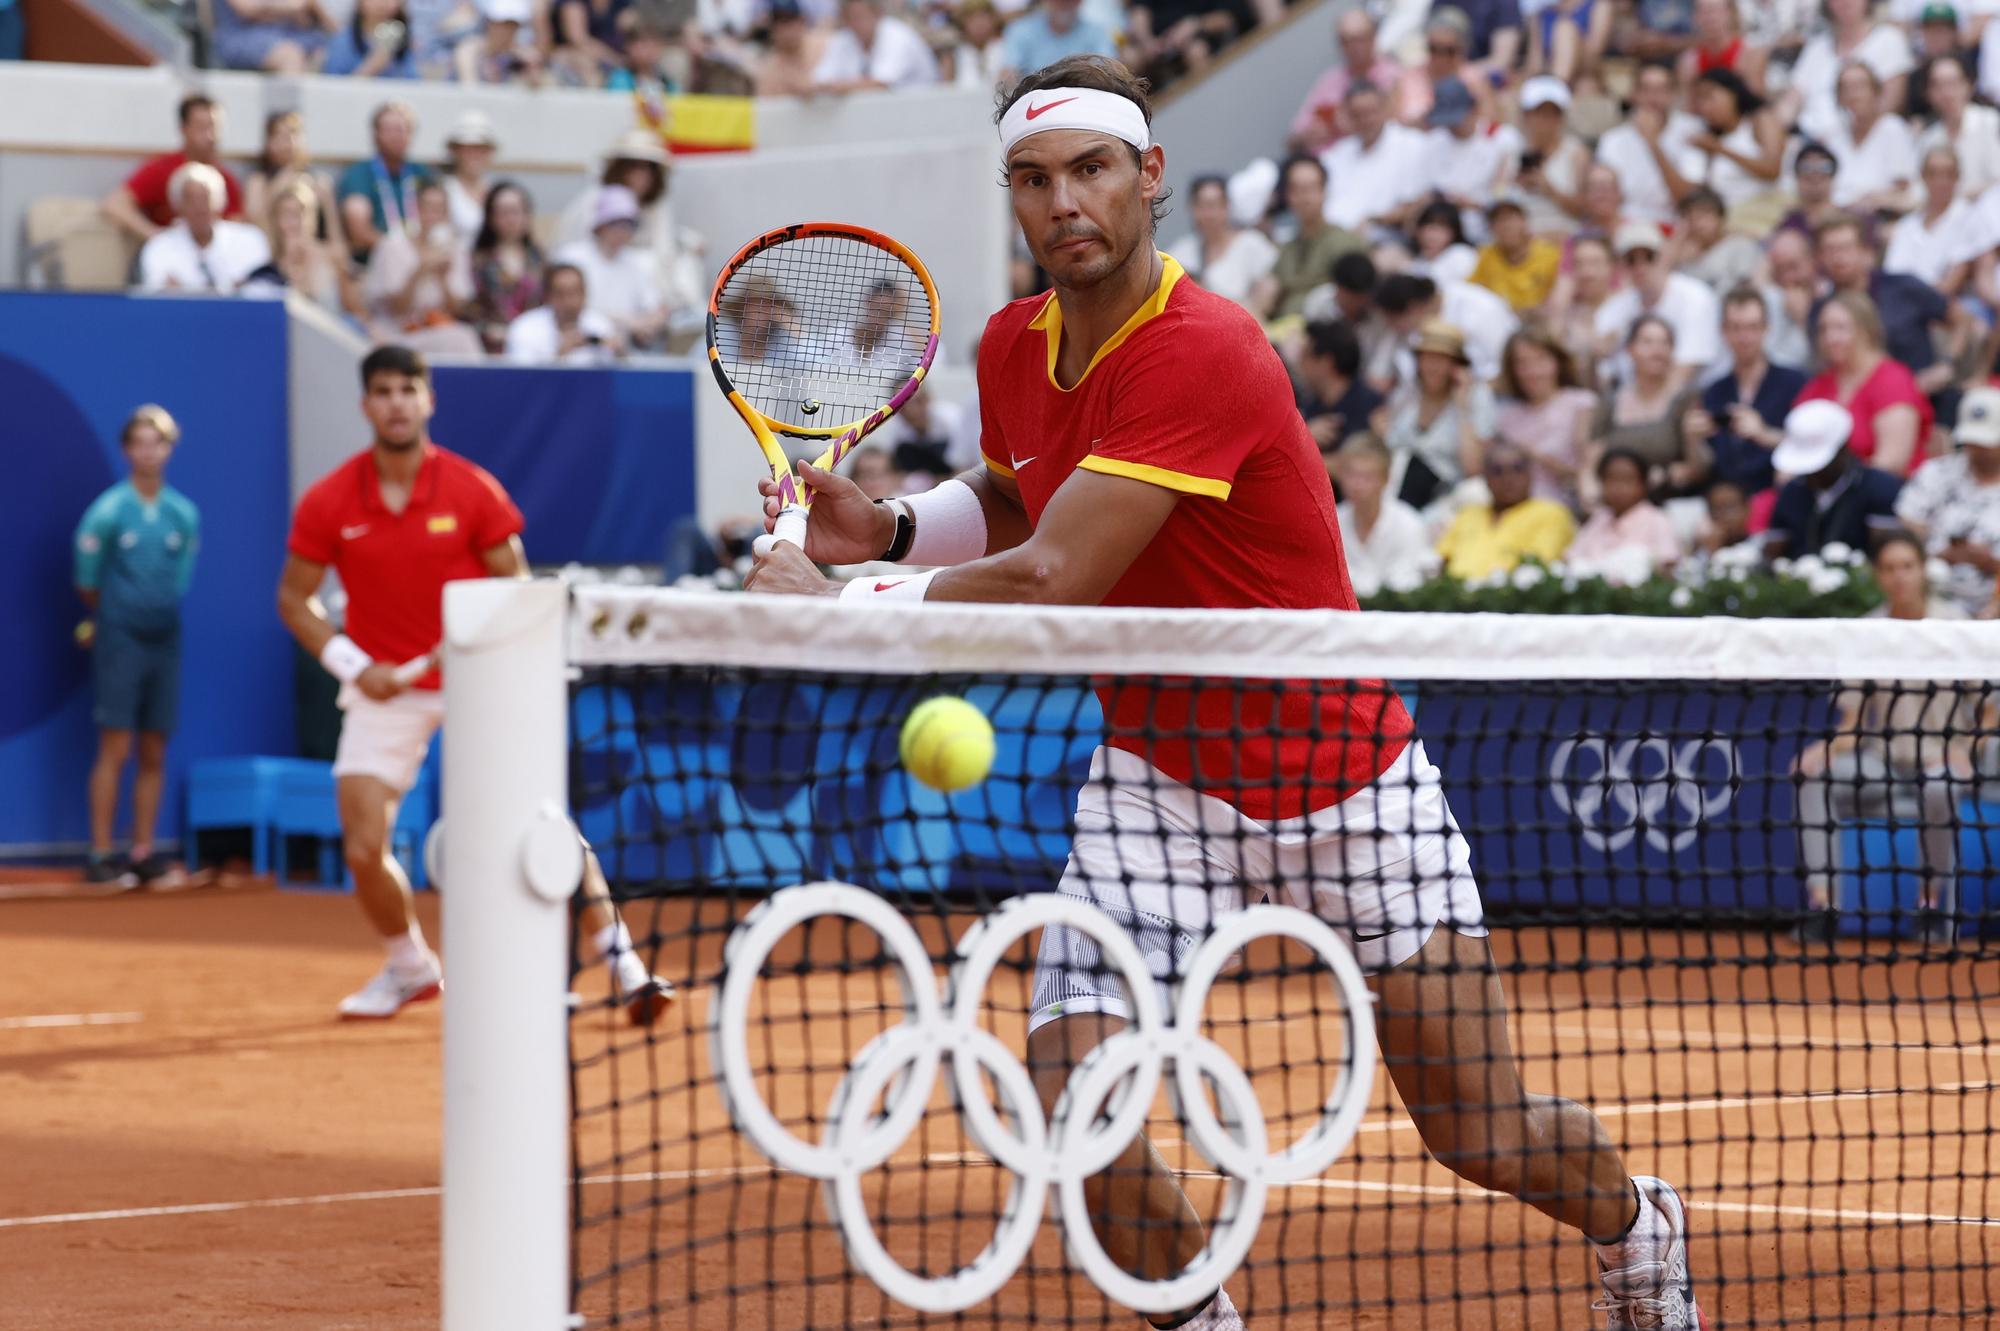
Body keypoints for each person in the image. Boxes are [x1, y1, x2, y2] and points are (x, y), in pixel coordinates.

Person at [740, 55, 1705, 1331]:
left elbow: (1059, 571)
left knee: (1479, 1128)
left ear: (1148, 176)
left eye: (1089, 169)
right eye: (1031, 180)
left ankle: (1637, 1226)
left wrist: (841, 602)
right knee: (1068, 1107)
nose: (1060, 203)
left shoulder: (1207, 348)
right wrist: (896, 523)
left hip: (1346, 776)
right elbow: (1030, 490)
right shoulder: (1007, 345)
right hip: (1159, 780)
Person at [278, 346, 665, 1020]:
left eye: (408, 388)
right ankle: (408, 967)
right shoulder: (330, 498)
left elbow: (514, 589)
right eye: (383, 391)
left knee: (542, 820)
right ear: (365, 405)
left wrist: (474, 646)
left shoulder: (471, 489)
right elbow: (294, 599)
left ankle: (621, 961)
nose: (397, 402)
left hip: (477, 682)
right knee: (364, 843)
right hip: (384, 693)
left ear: (428, 400)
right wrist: (351, 665)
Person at [1792, 529, 1987, 947]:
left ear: (1922, 572)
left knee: (1939, 788)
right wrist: (1825, 749)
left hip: (1941, 761)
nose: (1899, 577)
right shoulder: (1869, 631)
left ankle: (1930, 907)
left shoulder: (1956, 626)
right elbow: (1854, 718)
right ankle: (1824, 907)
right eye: (1889, 569)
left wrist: (1964, 752)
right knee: (1813, 776)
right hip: (1879, 765)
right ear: (1878, 576)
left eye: (1906, 567)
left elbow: (1989, 708)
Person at [73, 406, 200, 888]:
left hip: (165, 638)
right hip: (120, 636)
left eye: (158, 442)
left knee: (154, 748)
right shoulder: (107, 512)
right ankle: (101, 853)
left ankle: (142, 850)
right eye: (140, 442)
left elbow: (180, 580)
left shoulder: (183, 514)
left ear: (170, 448)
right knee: (116, 746)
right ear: (127, 450)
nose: (149, 451)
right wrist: (113, 616)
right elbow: (87, 583)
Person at [1795, 290, 1934, 478]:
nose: (1830, 338)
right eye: (1824, 329)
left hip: (1879, 493)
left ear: (1866, 331)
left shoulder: (1892, 380)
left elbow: (1893, 461)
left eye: (1840, 328)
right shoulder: (1818, 386)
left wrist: (1840, 491)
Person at [1688, 285, 1806, 497]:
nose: (1744, 337)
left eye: (1752, 328)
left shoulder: (1795, 383)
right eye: (1736, 328)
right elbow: (1702, 468)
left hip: (1776, 495)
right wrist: (1691, 438)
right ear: (1723, 331)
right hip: (1723, 500)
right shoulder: (1714, 391)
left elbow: (1810, 448)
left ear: (1766, 329)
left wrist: (1763, 434)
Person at [1894, 383, 2000, 613]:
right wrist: (1941, 554)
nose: (1977, 449)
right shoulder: (1937, 472)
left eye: (1987, 443)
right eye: (1972, 440)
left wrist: (1990, 562)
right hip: (1932, 599)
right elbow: (1905, 528)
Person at [1764, 400, 1904, 559]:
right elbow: (1773, 553)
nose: (1811, 474)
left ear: (1843, 449)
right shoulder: (1792, 492)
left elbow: (1887, 555)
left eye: (1819, 466)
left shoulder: (1880, 488)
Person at [102, 94, 246, 247]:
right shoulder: (162, 169)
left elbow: (235, 230)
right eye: (201, 128)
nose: (210, 136)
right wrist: (156, 236)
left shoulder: (227, 180)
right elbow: (115, 204)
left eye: (214, 127)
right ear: (184, 129)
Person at [1381, 318, 1497, 509]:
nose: (1432, 366)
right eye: (1427, 358)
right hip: (1399, 490)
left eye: (1441, 359)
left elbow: (1473, 467)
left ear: (1457, 366)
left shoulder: (1477, 397)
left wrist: (1462, 407)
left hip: (1446, 497)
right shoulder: (1406, 395)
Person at [1590, 314, 1704, 500]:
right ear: (1630, 350)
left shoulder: (1686, 399)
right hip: (1616, 503)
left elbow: (1698, 469)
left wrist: (1664, 476)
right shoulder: (1611, 400)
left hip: (1669, 499)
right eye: (1647, 342)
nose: (1657, 351)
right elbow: (1591, 459)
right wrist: (1591, 490)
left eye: (1664, 343)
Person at [1593, 221, 1719, 389]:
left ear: (1663, 256)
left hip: (1695, 398)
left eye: (1649, 257)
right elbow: (1603, 375)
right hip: (1631, 401)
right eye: (1631, 260)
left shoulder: (1696, 296)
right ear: (1621, 265)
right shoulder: (1612, 309)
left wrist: (1653, 411)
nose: (1640, 266)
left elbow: (1686, 370)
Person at [362, 180, 480, 355]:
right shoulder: (392, 246)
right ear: (415, 208)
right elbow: (397, 309)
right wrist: (420, 271)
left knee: (464, 337)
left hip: (438, 331)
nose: (431, 214)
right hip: (395, 334)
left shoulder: (454, 250)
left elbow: (457, 311)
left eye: (438, 208)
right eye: (426, 206)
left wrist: (443, 279)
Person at [1435, 439, 1579, 577]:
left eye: (1517, 468)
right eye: (1497, 471)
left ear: (1530, 474)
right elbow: (1441, 561)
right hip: (1455, 596)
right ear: (1485, 478)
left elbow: (1536, 569)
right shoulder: (1469, 514)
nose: (1508, 478)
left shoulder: (1551, 513)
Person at [1780, 0, 1914, 144]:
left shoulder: (1889, 39)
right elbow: (1789, 104)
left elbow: (1890, 104)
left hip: (1862, 142)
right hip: (1808, 144)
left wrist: (1843, 141)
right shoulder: (1816, 47)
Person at [554, 184, 669, 351]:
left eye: (628, 224)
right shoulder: (572, 256)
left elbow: (655, 308)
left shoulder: (638, 263)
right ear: (600, 224)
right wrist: (628, 322)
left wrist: (649, 325)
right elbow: (566, 306)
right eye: (616, 223)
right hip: (580, 346)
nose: (622, 231)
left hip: (627, 350)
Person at [1252, 155, 1364, 321]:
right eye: (1296, 189)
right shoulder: (1287, 249)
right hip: (1280, 331)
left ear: (1324, 192)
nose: (1304, 197)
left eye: (1311, 188)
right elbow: (1268, 292)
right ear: (1288, 196)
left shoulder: (1345, 243)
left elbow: (1353, 302)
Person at [1494, 325, 1595, 506]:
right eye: (1523, 363)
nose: (1532, 371)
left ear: (1556, 361)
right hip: (1512, 506)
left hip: (1559, 504)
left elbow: (1586, 471)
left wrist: (1533, 455)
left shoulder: (1581, 404)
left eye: (1540, 360)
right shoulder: (1506, 416)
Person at [1288, 7, 1411, 154]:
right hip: (1329, 163)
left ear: (1373, 37)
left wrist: (1350, 128)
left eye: (1360, 39)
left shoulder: (1395, 75)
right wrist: (1307, 137)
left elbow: (1405, 126)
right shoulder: (1329, 81)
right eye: (1347, 41)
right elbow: (1292, 139)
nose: (1354, 47)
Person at [1594, 60, 1702, 227]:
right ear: (1633, 94)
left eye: (1661, 90)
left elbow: (1687, 199)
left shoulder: (1692, 131)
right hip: (1626, 224)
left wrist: (1652, 143)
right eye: (1646, 89)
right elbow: (1603, 202)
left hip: (1677, 225)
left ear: (1673, 94)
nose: (1653, 98)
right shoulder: (1611, 140)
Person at [137, 163, 272, 294]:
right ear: (177, 206)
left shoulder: (249, 240)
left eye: (205, 198)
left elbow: (264, 291)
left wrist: (242, 290)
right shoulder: (159, 247)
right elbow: (155, 297)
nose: (199, 208)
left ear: (220, 202)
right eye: (190, 199)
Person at [1316, 79, 1427, 234]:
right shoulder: (1337, 154)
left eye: (1370, 112)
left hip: (1384, 236)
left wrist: (1375, 220)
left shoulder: (1412, 144)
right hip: (1330, 236)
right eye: (1357, 115)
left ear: (1385, 109)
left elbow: (1418, 202)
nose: (1365, 120)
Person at [1333, 432, 1437, 595]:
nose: (1357, 485)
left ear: (1386, 479)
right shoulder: (1331, 522)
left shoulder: (1409, 524)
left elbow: (1409, 584)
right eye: (1351, 475)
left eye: (1367, 477)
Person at [1565, 447, 1683, 581]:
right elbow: (1571, 560)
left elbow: (1667, 567)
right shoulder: (1599, 518)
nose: (1618, 487)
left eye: (1627, 480)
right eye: (1612, 479)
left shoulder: (1658, 520)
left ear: (1644, 485)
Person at [336, 102, 434, 263]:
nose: (396, 136)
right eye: (389, 130)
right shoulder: (359, 174)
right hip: (374, 263)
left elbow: (440, 219)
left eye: (402, 129)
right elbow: (359, 232)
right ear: (375, 134)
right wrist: (401, 253)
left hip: (419, 261)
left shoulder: (423, 173)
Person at [1677, 67, 1783, 213]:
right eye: (1699, 100)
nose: (1704, 107)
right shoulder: (1705, 137)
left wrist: (1719, 148)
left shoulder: (1760, 120)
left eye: (1709, 96)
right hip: (1724, 217)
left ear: (1732, 93)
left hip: (1762, 211)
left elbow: (1772, 170)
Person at [1163, 175, 1275, 312]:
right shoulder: (1181, 252)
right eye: (1200, 206)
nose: (1207, 214)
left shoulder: (1252, 244)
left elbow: (1268, 292)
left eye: (1213, 205)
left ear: (1227, 207)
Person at [1883, 146, 1985, 296]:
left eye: (1948, 174)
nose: (1941, 181)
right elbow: (1892, 275)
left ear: (1958, 177)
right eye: (1933, 174)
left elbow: (1951, 285)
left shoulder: (1970, 218)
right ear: (1923, 177)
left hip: (1942, 306)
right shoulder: (1906, 225)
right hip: (1902, 304)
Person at [244, 111, 346, 258]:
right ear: (268, 142)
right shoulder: (257, 183)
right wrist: (280, 185)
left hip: (312, 258)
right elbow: (254, 229)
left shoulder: (319, 184)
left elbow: (336, 240)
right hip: (271, 257)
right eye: (278, 135)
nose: (286, 142)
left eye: (292, 134)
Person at [1501, 75, 1591, 238]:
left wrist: (1549, 189)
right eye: (1538, 113)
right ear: (1526, 115)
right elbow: (1498, 201)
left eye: (1552, 114)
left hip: (1563, 237)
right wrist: (1514, 186)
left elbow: (1584, 210)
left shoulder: (1576, 153)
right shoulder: (1511, 151)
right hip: (1519, 241)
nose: (1545, 121)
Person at [1823, 62, 1919, 215]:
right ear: (1839, 98)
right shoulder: (1834, 135)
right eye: (1846, 88)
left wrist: (1868, 200)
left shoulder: (1892, 128)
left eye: (1860, 86)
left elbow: (1902, 185)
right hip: (1836, 215)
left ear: (1875, 91)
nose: (1854, 94)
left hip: (1879, 214)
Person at [468, 180, 545, 354]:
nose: (511, 219)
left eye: (516, 212)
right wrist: (488, 329)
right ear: (491, 218)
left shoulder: (540, 259)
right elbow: (467, 308)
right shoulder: (478, 261)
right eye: (503, 213)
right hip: (490, 345)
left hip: (534, 344)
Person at [1916, 54, 2000, 200]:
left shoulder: (1991, 123)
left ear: (1969, 85)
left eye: (1952, 83)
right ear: (1929, 94)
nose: (1946, 93)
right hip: (1945, 218)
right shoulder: (1928, 138)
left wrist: (1954, 199)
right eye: (1938, 86)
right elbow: (1918, 192)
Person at [1293, 318, 1382, 452]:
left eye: (1306, 355)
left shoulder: (1372, 409)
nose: (1300, 362)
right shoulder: (1309, 407)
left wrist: (1306, 443)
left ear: (1326, 362)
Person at [505, 262, 621, 364]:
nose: (570, 302)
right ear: (548, 296)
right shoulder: (524, 328)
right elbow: (522, 380)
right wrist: (560, 355)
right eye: (561, 294)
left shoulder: (600, 325)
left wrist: (619, 354)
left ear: (585, 294)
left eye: (575, 293)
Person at [815, 0, 938, 91]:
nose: (854, 23)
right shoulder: (844, 38)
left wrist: (837, 87)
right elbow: (820, 80)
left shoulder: (897, 35)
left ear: (877, 13)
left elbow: (881, 83)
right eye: (849, 18)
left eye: (859, 17)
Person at [1469, 197, 1561, 313]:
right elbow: (1472, 291)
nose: (1506, 226)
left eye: (1510, 218)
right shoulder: (1486, 255)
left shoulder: (1549, 253)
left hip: (1540, 320)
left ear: (1524, 221)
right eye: (1498, 220)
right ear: (1491, 228)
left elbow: (1559, 296)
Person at [998, 0, 1116, 86]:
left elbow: (1108, 73)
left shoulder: (1098, 32)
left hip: (1082, 100)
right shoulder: (1020, 29)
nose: (1064, 4)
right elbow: (1008, 75)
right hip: (1033, 98)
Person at [1671, 185, 1761, 293]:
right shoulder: (1683, 255)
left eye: (1703, 215)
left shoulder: (1740, 244)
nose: (1698, 223)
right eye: (1691, 217)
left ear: (1720, 217)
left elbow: (1748, 289)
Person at [209, 0, 331, 73]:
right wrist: (291, 6)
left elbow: (305, 19)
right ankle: (287, 115)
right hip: (238, 38)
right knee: (290, 55)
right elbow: (249, 9)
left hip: (280, 34)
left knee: (320, 53)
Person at [1676, 0, 1767, 95]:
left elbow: (1757, 103)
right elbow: (1686, 105)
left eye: (1715, 10)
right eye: (1703, 11)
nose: (1710, 18)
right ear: (1694, 17)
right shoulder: (1688, 62)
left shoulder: (1750, 55)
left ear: (1731, 14)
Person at [322, 0, 421, 77]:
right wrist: (373, 65)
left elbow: (412, 81)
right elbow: (333, 86)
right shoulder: (344, 41)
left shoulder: (403, 38)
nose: (382, 3)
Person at [440, 111, 498, 241]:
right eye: (468, 149)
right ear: (455, 151)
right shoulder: (443, 190)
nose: (474, 155)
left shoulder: (495, 191)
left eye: (481, 149)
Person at [1408, 199, 1479, 287]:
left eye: (1441, 228)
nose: (1433, 235)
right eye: (1429, 227)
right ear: (1417, 231)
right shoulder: (1418, 262)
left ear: (1454, 232)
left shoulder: (1461, 254)